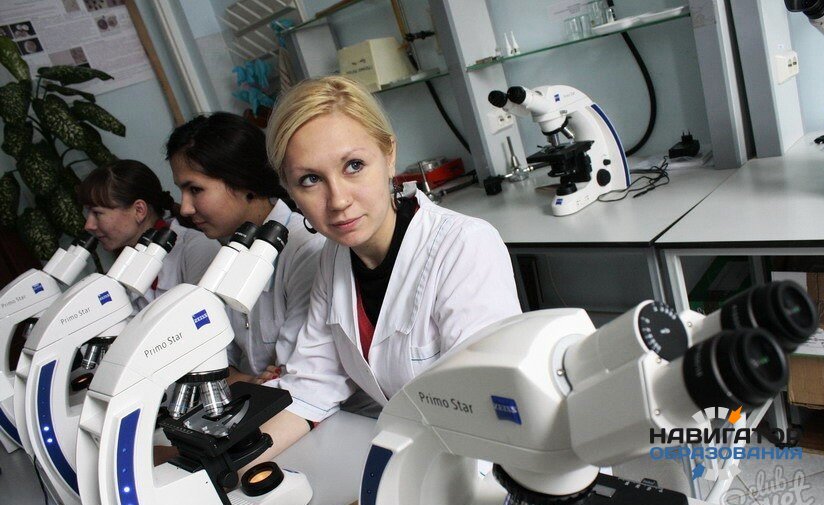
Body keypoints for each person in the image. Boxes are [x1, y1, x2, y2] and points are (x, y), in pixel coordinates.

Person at [252, 76, 522, 461]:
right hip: (417, 453)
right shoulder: (334, 257)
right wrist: (224, 468)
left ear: (389, 155)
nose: (338, 200)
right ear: (290, 191)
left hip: (485, 460)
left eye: (354, 165)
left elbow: (489, 406)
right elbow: (312, 386)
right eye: (310, 179)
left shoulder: (464, 245)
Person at [166, 112, 324, 385]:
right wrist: (247, 380)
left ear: (242, 181)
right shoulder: (228, 253)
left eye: (196, 190)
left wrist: (242, 378)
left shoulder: (306, 250)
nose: (185, 208)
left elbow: (297, 374)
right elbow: (208, 363)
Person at [78, 159, 220, 306]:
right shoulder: (125, 264)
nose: (88, 225)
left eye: (97, 213)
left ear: (139, 210)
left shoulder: (197, 247)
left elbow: (205, 314)